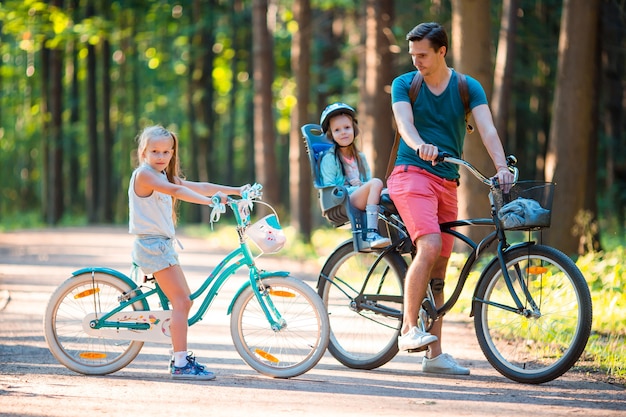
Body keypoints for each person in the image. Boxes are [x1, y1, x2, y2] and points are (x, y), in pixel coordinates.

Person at [387, 22, 515, 375]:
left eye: (423, 55)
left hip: (447, 182)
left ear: (442, 51)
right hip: (411, 175)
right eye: (412, 55)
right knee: (428, 246)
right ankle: (408, 329)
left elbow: (487, 129)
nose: (416, 62)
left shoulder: (466, 86)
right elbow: (405, 125)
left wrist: (502, 166)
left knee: (440, 271)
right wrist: (419, 146)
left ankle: (435, 356)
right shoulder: (405, 84)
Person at [129, 125, 249, 380]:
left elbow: (201, 185)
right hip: (153, 247)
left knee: (185, 301)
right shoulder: (145, 175)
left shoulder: (162, 175)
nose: (161, 156)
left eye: (166, 152)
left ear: (172, 153)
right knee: (182, 302)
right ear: (143, 152)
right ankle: (181, 364)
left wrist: (236, 191)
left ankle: (180, 357)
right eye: (155, 151)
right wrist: (210, 202)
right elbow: (178, 192)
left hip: (161, 246)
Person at [319, 102, 391, 249]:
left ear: (354, 129)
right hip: (342, 200)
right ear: (330, 134)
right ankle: (371, 233)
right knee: (377, 183)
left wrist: (361, 185)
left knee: (392, 192)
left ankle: (398, 236)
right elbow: (329, 188)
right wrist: (353, 187)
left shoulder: (360, 158)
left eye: (347, 127)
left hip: (357, 195)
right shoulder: (329, 159)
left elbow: (367, 182)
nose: (343, 132)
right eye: (337, 130)